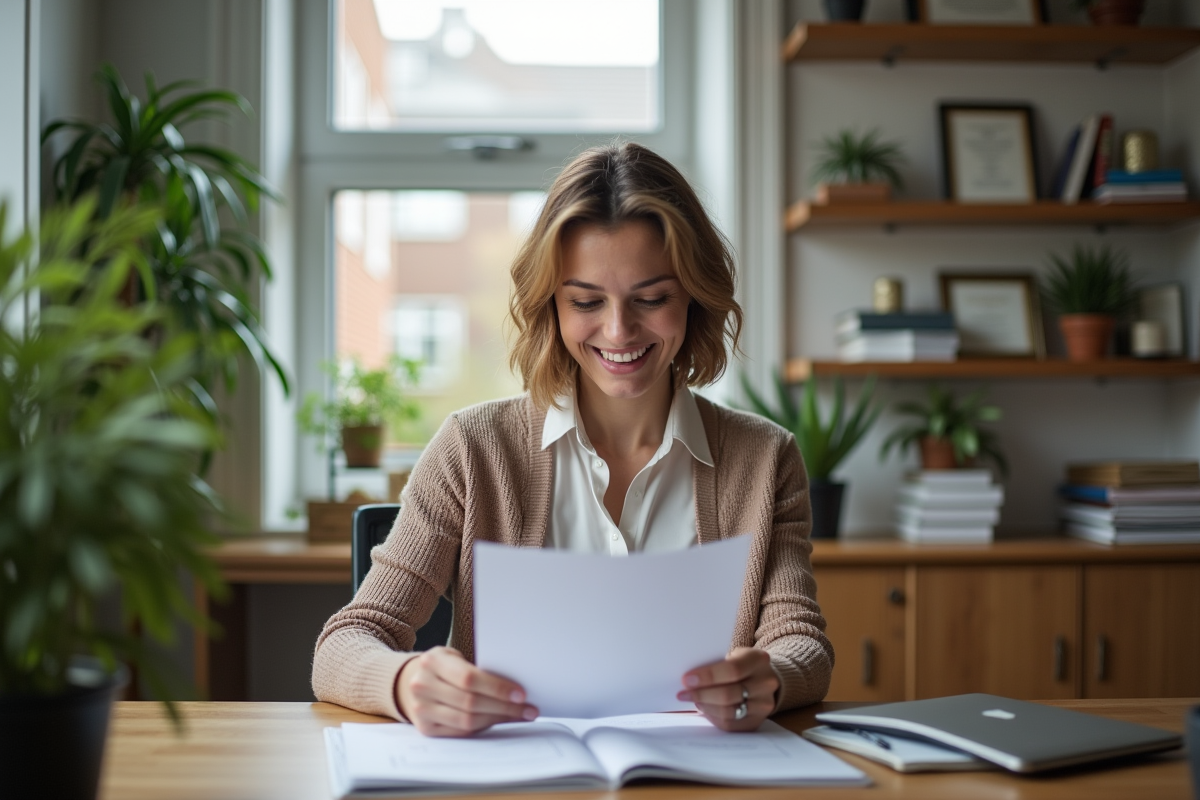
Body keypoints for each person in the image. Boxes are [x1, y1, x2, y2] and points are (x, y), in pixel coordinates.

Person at [312, 142, 832, 737]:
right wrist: (405, 683)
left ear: (694, 296)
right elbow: (347, 642)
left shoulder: (767, 460)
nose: (619, 331)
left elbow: (802, 644)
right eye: (586, 301)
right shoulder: (472, 449)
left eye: (652, 298)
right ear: (550, 307)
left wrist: (772, 677)